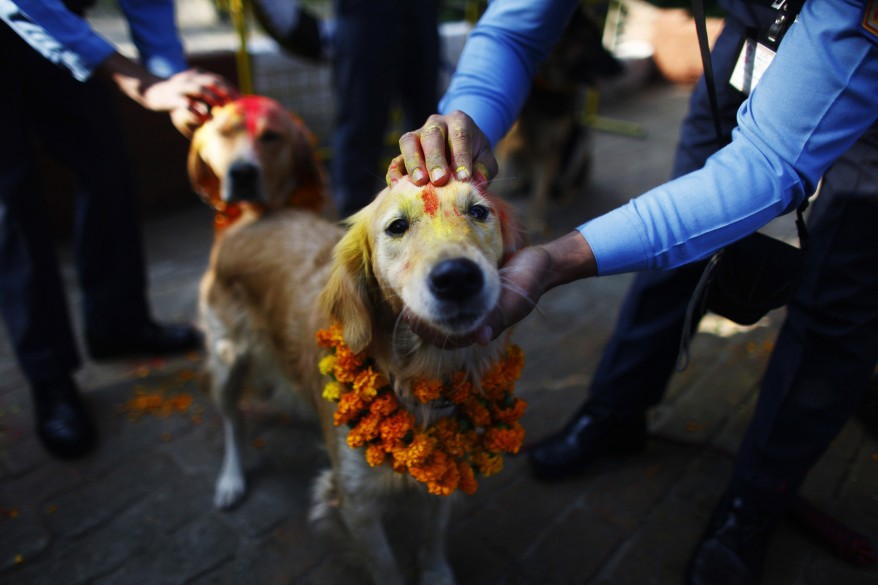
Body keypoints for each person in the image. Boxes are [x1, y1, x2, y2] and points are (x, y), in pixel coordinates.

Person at [387, 1, 878, 584]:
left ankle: (754, 505)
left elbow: (768, 163)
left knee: (837, 299)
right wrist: (464, 120)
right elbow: (516, 30)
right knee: (671, 247)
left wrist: (557, 258)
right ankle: (617, 412)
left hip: (862, 78)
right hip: (750, 40)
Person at [0, 0, 237, 460]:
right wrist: (139, 81)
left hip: (61, 21)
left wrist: (171, 82)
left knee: (106, 162)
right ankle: (50, 377)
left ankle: (117, 323)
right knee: (11, 198)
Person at [253, 0, 442, 218]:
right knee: (360, 124)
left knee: (427, 120)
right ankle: (349, 223)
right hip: (364, 14)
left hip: (421, 10)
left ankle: (432, 210)